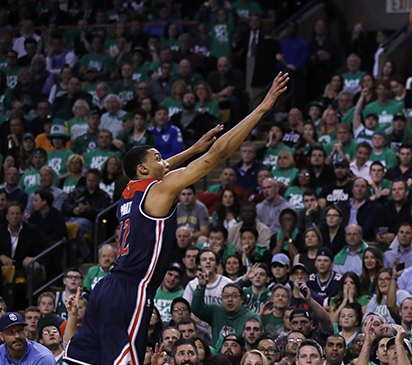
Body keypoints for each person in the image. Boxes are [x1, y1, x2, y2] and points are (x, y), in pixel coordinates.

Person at [62, 72, 289, 365]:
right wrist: (262, 108)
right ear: (144, 170)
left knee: (82, 361)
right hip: (132, 289)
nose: (163, 161)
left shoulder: (129, 192)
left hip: (105, 287)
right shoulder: (159, 190)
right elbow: (216, 156)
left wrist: (193, 149)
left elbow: (165, 166)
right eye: (157, 157)